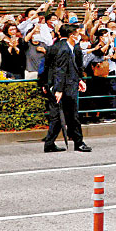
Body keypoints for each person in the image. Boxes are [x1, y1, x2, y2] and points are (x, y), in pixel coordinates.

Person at [42, 23, 91, 153]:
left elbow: (49, 68)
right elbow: (60, 70)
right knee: (71, 116)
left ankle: (50, 143)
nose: (79, 36)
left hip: (63, 85)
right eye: (77, 34)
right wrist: (58, 89)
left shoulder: (58, 47)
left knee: (57, 116)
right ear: (71, 35)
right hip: (64, 87)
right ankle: (78, 142)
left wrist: (79, 80)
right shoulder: (64, 49)